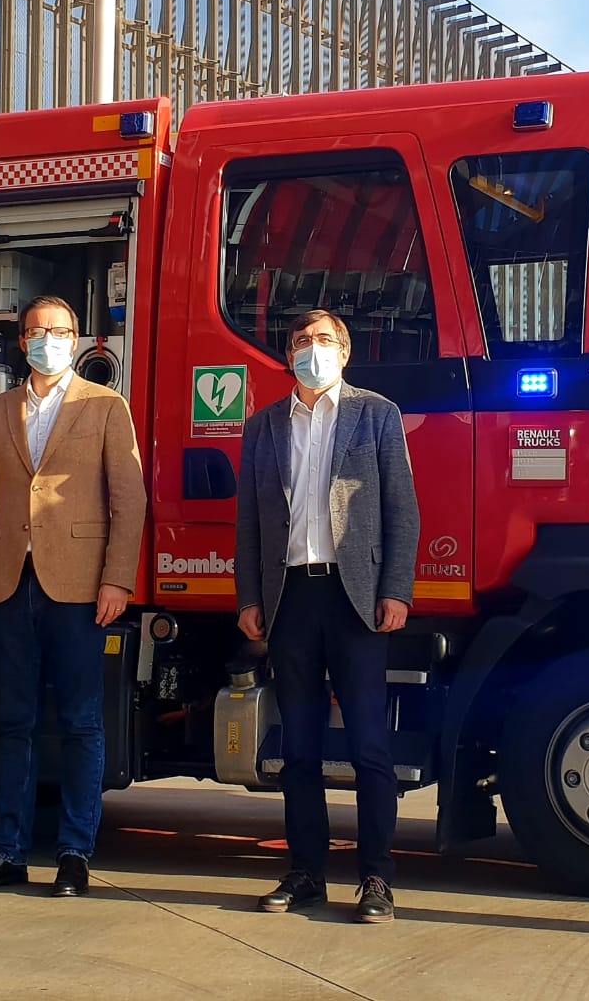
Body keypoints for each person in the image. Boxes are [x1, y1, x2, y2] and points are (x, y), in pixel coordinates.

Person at [0, 296, 146, 898]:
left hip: (81, 587)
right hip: (10, 583)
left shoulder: (106, 405)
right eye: (37, 332)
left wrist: (116, 578)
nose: (47, 341)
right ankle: (6, 850)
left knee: (83, 723)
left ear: (77, 338)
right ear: (22, 341)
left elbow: (129, 499)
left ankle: (73, 853)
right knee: (14, 722)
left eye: (58, 332)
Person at [235, 309, 419, 924]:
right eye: (300, 342)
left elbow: (402, 509)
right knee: (300, 750)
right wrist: (249, 600)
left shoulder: (376, 414)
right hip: (290, 597)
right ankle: (306, 873)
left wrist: (395, 591)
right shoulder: (263, 427)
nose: (310, 350)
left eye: (322, 340)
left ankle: (376, 878)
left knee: (369, 745)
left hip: (355, 597)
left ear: (344, 351)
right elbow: (249, 525)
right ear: (288, 355)